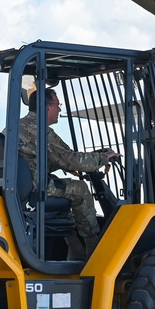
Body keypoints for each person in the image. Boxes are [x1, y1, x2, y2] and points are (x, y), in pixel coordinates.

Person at [15, 87, 119, 259]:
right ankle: (93, 247)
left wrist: (86, 159)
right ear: (47, 107)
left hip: (24, 185)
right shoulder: (40, 130)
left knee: (64, 191)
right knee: (80, 189)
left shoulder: (18, 126)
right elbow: (69, 158)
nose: (60, 109)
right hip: (36, 187)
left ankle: (74, 246)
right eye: (58, 105)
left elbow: (51, 158)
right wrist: (103, 158)